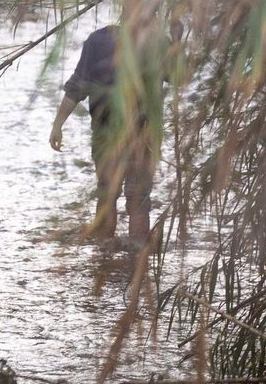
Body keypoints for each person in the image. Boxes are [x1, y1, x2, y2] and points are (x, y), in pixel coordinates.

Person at [48, 18, 175, 243]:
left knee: (108, 193)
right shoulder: (157, 43)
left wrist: (58, 124)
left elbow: (77, 87)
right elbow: (179, 77)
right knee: (138, 198)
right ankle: (135, 258)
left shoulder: (99, 40)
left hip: (107, 133)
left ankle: (104, 257)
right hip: (142, 135)